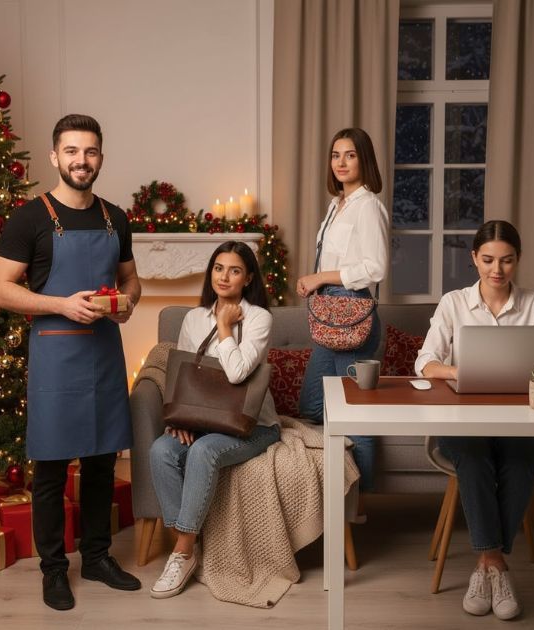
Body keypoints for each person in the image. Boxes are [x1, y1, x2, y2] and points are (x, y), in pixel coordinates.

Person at [0, 114, 142, 611]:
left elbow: (131, 281)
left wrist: (125, 303)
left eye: (91, 151)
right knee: (52, 468)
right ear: (55, 157)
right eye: (72, 151)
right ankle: (53, 569)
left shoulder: (114, 218)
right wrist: (60, 304)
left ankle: (96, 557)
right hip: (56, 354)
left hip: (103, 353)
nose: (82, 160)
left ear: (100, 157)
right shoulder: (31, 218)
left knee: (101, 463)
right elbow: (0, 290)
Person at [415, 219, 534, 621]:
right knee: (474, 457)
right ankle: (496, 564)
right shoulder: (453, 303)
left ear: (518, 260)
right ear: (473, 258)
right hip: (465, 420)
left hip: (522, 422)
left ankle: (486, 566)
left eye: (507, 261)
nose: (497, 270)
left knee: (521, 457)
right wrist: (461, 371)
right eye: (489, 260)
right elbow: (425, 362)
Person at [148, 241, 281, 599]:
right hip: (204, 420)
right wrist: (181, 417)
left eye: (235, 270)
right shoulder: (193, 319)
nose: (224, 276)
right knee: (161, 449)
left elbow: (237, 374)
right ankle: (186, 539)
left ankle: (182, 552)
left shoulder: (258, 318)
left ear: (248, 277)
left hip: (253, 426)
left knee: (203, 452)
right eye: (218, 268)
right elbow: (185, 378)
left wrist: (224, 326)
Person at [294, 127, 389, 493]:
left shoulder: (368, 206)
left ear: (363, 160)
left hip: (351, 311)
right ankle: (338, 483)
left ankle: (358, 504)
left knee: (354, 412)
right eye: (336, 155)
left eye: (350, 155)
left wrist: (320, 276)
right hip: (329, 309)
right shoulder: (337, 205)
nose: (341, 162)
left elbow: (375, 267)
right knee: (313, 404)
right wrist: (317, 282)